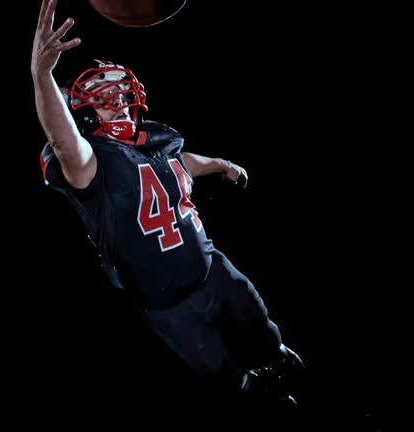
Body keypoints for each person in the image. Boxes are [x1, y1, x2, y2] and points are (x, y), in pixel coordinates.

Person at [31, 0, 305, 405]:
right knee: (219, 375)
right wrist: (42, 75)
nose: (118, 100)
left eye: (120, 91)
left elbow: (183, 163)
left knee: (260, 327)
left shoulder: (155, 142)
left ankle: (272, 359)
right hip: (165, 303)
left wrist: (222, 164)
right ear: (83, 108)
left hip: (212, 268)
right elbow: (62, 139)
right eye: (105, 95)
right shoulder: (90, 160)